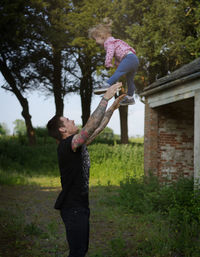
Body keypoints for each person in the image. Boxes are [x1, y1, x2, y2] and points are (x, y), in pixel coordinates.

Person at [47, 82, 125, 257]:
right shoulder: (68, 145)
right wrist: (105, 97)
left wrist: (113, 106)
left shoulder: (77, 144)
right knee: (78, 252)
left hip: (80, 206)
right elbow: (90, 126)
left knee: (81, 250)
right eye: (68, 120)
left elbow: (97, 128)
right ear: (62, 129)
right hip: (72, 208)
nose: (73, 120)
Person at [88, 18, 139, 106]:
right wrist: (117, 63)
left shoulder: (109, 42)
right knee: (130, 80)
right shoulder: (114, 41)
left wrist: (107, 63)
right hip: (134, 59)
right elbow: (119, 54)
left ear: (101, 36)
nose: (96, 42)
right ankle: (130, 97)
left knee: (118, 72)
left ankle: (107, 84)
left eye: (95, 39)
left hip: (129, 58)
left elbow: (110, 52)